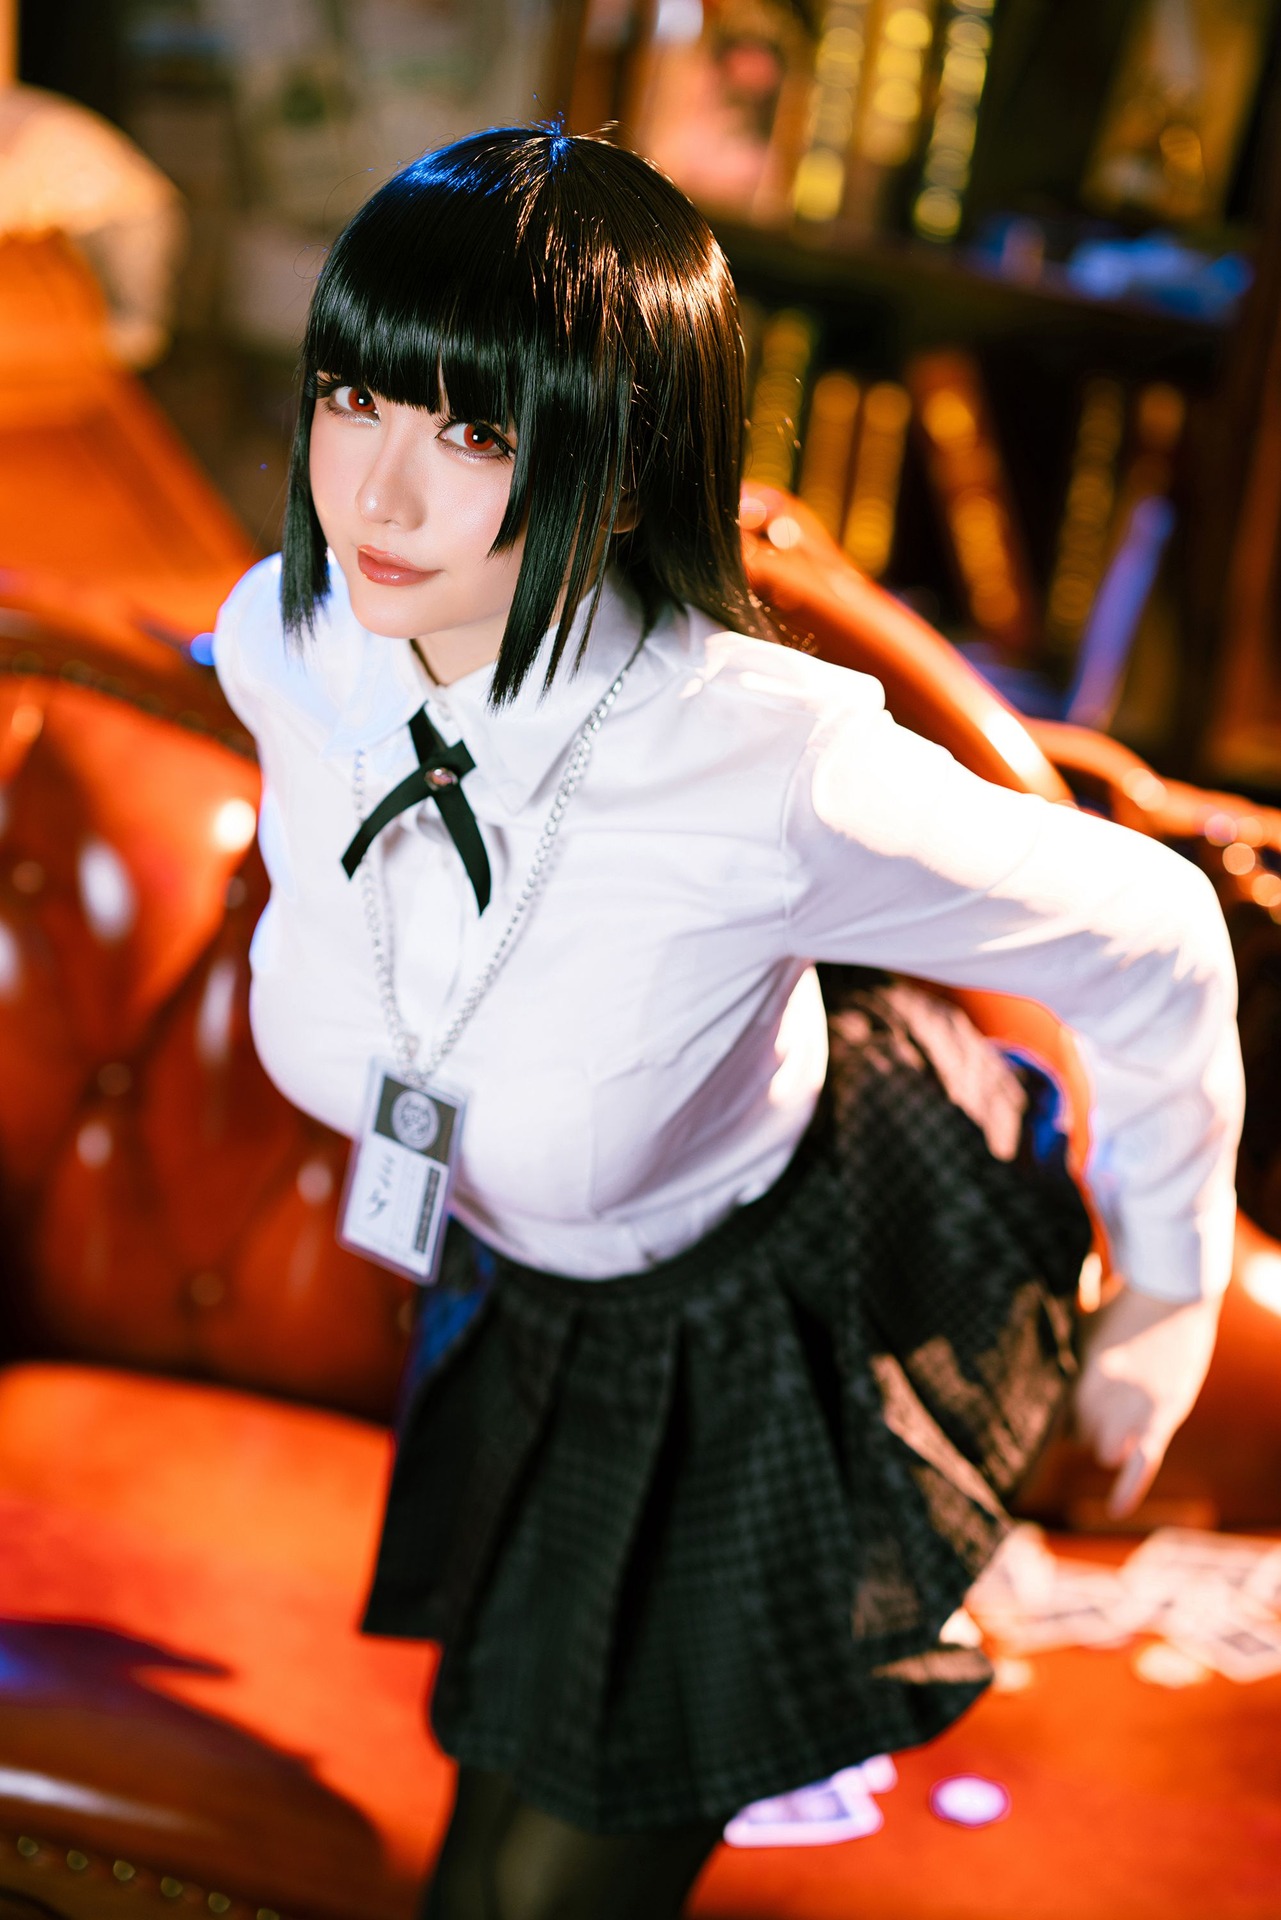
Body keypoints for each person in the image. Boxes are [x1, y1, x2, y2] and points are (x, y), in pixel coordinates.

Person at [212, 126, 1242, 1920]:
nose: (376, 493)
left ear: (618, 471)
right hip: (526, 1298)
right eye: (354, 397)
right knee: (483, 1841)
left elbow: (1154, 930)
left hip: (773, 1317)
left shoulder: (766, 766)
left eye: (475, 433)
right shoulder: (283, 643)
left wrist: (1166, 1291)